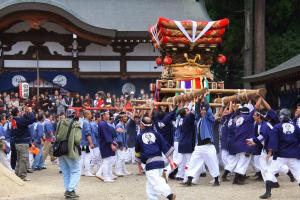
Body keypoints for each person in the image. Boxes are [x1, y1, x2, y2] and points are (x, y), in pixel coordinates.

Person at [259, 108, 300, 199]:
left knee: (270, 172)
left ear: (281, 116)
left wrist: (271, 152)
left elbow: (274, 141)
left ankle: (268, 192)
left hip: (281, 155)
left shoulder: (277, 127)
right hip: (293, 154)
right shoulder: (296, 127)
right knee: (299, 174)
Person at [135, 116, 176, 200]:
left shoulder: (139, 137)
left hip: (150, 163)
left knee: (155, 183)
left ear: (142, 125)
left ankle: (169, 194)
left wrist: (139, 165)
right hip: (160, 162)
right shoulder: (157, 134)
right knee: (150, 186)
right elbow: (165, 148)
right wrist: (171, 161)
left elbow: (137, 153)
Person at [184, 95, 220, 186]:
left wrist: (204, 101)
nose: (203, 111)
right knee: (193, 163)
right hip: (199, 146)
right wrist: (199, 100)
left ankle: (216, 180)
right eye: (202, 110)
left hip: (208, 145)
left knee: (213, 163)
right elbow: (196, 110)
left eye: (204, 110)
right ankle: (189, 180)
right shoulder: (199, 119)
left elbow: (208, 110)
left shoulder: (210, 118)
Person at [56, 109, 82, 199]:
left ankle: (68, 189)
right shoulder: (76, 124)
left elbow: (57, 136)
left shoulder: (59, 123)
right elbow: (77, 140)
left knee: (66, 172)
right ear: (74, 115)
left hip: (60, 149)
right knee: (76, 170)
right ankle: (70, 190)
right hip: (70, 150)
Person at [11, 107, 35, 181]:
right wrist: (30, 112)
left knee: (19, 160)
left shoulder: (14, 120)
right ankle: (22, 176)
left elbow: (25, 120)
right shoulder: (19, 120)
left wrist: (25, 113)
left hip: (17, 142)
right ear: (18, 113)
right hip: (22, 143)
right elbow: (31, 120)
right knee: (24, 160)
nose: (21, 112)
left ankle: (17, 174)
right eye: (20, 111)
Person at [96, 110, 117, 182]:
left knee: (108, 161)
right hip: (105, 144)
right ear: (103, 115)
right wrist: (111, 144)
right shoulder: (103, 124)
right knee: (106, 161)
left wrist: (113, 142)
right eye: (107, 114)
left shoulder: (103, 123)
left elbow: (108, 136)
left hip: (105, 144)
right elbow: (106, 136)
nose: (108, 115)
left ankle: (105, 175)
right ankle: (106, 177)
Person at [115, 112, 130, 176]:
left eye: (126, 116)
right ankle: (117, 171)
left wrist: (125, 144)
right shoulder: (119, 125)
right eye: (125, 117)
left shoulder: (123, 125)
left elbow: (124, 136)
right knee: (120, 158)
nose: (126, 118)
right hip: (120, 144)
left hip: (123, 144)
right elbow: (119, 136)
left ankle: (123, 170)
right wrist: (120, 144)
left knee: (122, 158)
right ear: (121, 118)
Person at [80, 110, 95, 176]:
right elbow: (88, 134)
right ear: (86, 115)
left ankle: (82, 171)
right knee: (87, 157)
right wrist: (91, 143)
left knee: (83, 157)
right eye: (89, 114)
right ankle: (87, 171)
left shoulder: (82, 121)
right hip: (86, 143)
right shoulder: (86, 123)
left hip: (82, 142)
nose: (91, 115)